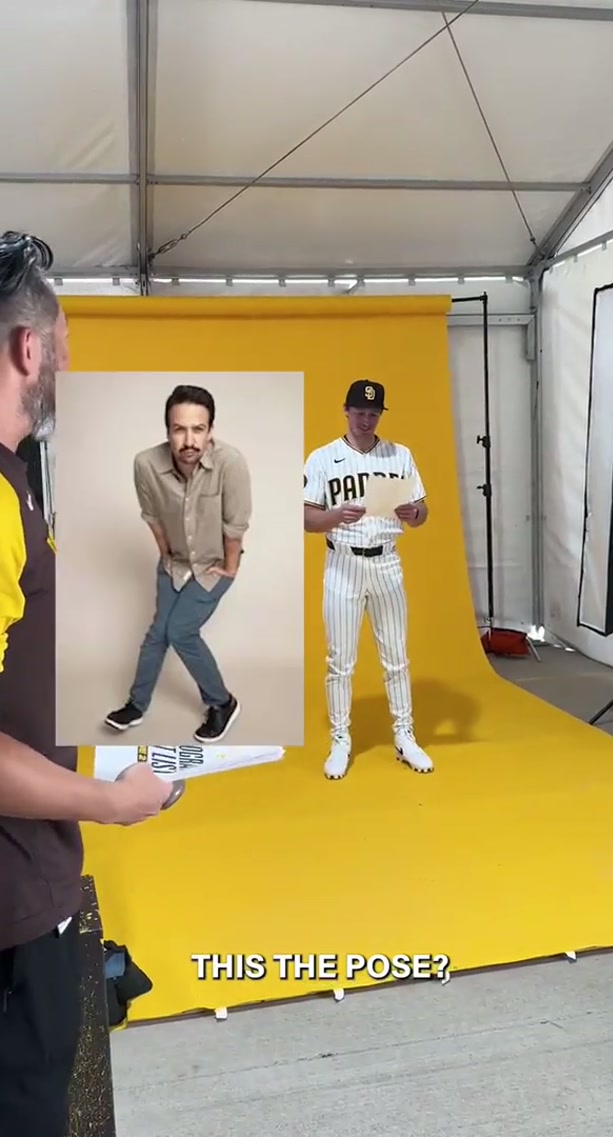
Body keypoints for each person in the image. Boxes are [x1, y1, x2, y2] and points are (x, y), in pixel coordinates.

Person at [0, 231, 172, 1137]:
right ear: (28, 347)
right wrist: (109, 802)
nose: (68, 364)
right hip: (14, 905)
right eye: (63, 344)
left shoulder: (17, 482)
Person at [104, 385, 252, 743]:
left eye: (198, 429)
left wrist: (231, 568)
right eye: (179, 429)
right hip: (175, 563)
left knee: (180, 631)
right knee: (157, 633)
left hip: (215, 565)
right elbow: (152, 517)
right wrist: (166, 556)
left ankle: (222, 702)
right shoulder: (146, 464)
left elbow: (235, 526)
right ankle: (136, 705)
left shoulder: (230, 463)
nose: (189, 440)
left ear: (210, 430)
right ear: (168, 430)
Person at [303, 379, 434, 780]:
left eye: (373, 414)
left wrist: (415, 514)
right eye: (359, 412)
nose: (365, 420)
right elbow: (307, 518)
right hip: (343, 564)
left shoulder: (399, 454)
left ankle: (404, 735)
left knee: (396, 656)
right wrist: (334, 516)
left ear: (380, 415)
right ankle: (340, 739)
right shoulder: (323, 458)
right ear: (346, 410)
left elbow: (422, 510)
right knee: (340, 660)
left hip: (386, 561)